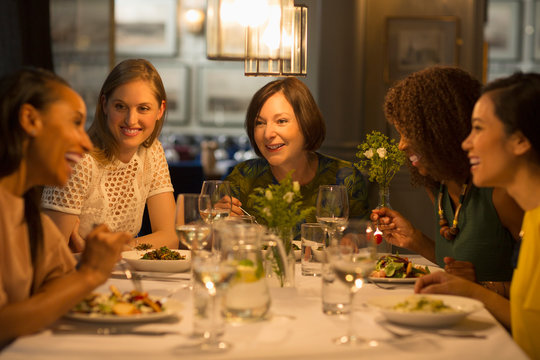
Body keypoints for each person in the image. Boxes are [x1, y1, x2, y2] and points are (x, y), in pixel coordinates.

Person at [0, 68, 130, 347]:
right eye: (75, 123)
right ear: (29, 119)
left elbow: (58, 287)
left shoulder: (28, 214)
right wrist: (90, 274)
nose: (85, 143)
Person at [416, 72, 540, 358]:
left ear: (520, 140)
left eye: (479, 128)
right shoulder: (531, 219)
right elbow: (528, 322)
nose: (466, 143)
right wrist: (469, 291)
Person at [372, 66, 523, 288]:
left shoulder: (500, 193)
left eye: (409, 132)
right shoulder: (438, 187)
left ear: (443, 130)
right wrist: (414, 239)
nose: (401, 144)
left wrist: (484, 285)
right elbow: (455, 266)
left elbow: (533, 286)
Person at [42, 59, 176, 251]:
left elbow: (170, 237)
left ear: (160, 110)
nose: (131, 120)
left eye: (143, 108)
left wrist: (112, 249)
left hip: (117, 272)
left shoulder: (152, 151)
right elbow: (49, 256)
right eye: (120, 106)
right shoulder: (80, 161)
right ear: (104, 105)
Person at [225, 77, 369, 239]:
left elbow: (364, 238)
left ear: (306, 122)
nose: (268, 134)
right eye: (260, 123)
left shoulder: (344, 177)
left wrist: (353, 240)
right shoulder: (243, 176)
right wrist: (219, 225)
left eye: (281, 121)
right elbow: (213, 245)